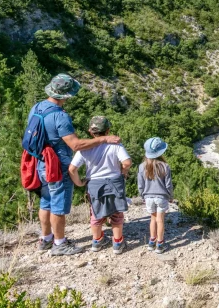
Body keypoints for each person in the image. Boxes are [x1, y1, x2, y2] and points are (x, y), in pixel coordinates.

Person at [29, 74, 120, 256]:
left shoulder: (37, 108)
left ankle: (46, 239)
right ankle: (59, 244)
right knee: (58, 206)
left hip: (41, 163)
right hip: (57, 166)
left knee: (45, 202)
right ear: (66, 95)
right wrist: (104, 139)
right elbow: (75, 145)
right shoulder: (60, 116)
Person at [68, 116, 132, 255]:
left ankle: (97, 241)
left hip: (95, 184)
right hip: (114, 182)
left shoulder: (84, 149)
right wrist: (123, 173)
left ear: (91, 132)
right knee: (116, 214)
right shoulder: (115, 145)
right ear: (108, 130)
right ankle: (118, 242)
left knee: (96, 214)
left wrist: (79, 182)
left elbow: (72, 169)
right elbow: (127, 162)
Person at [137, 137, 173, 254]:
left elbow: (140, 185)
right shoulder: (165, 166)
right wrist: (171, 196)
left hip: (148, 197)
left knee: (152, 219)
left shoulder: (142, 166)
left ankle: (152, 241)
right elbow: (168, 185)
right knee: (160, 220)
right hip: (161, 197)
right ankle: (160, 244)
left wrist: (142, 196)